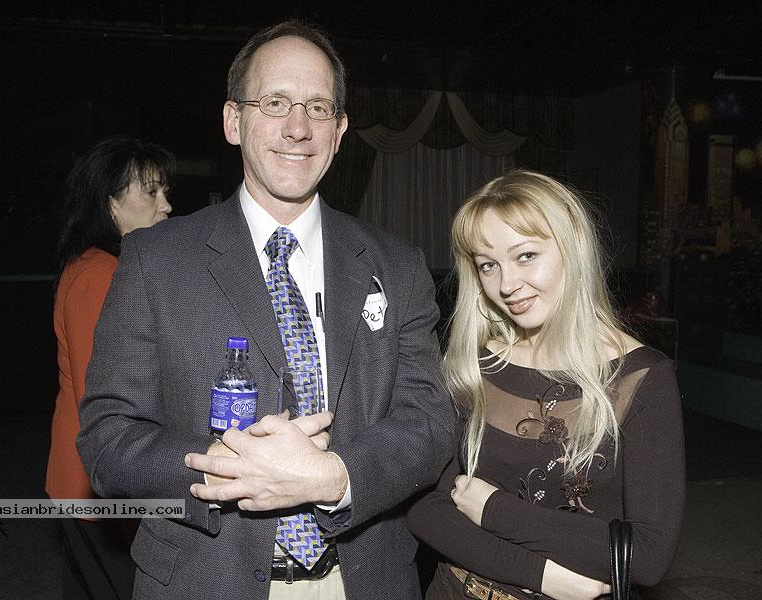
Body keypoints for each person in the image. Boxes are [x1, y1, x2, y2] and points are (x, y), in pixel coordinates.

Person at [76, 20, 453, 600]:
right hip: (205, 582)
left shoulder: (397, 265)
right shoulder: (156, 260)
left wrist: (334, 477)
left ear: (340, 131)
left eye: (318, 108)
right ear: (234, 121)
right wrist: (227, 470)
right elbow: (108, 439)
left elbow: (429, 422)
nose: (298, 128)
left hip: (364, 581)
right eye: (275, 103)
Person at [408, 170, 685, 599]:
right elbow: (425, 508)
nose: (506, 285)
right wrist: (540, 574)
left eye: (526, 256)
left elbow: (646, 556)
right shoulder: (475, 365)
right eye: (488, 265)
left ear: (573, 247)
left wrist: (493, 509)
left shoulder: (641, 378)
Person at [46, 136, 175, 599]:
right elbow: (102, 397)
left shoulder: (103, 267)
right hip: (96, 481)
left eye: (165, 191)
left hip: (92, 481)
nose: (166, 205)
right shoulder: (97, 275)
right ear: (111, 204)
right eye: (151, 192)